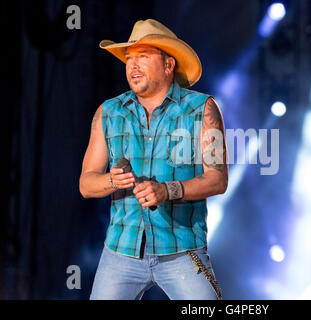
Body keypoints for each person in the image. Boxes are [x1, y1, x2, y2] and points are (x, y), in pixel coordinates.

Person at [79, 19, 228, 300]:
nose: (132, 65)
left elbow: (217, 179)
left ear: (169, 65)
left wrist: (167, 190)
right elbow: (86, 185)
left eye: (143, 57)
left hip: (183, 251)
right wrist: (112, 180)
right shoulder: (108, 112)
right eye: (129, 58)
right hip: (121, 252)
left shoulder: (202, 109)